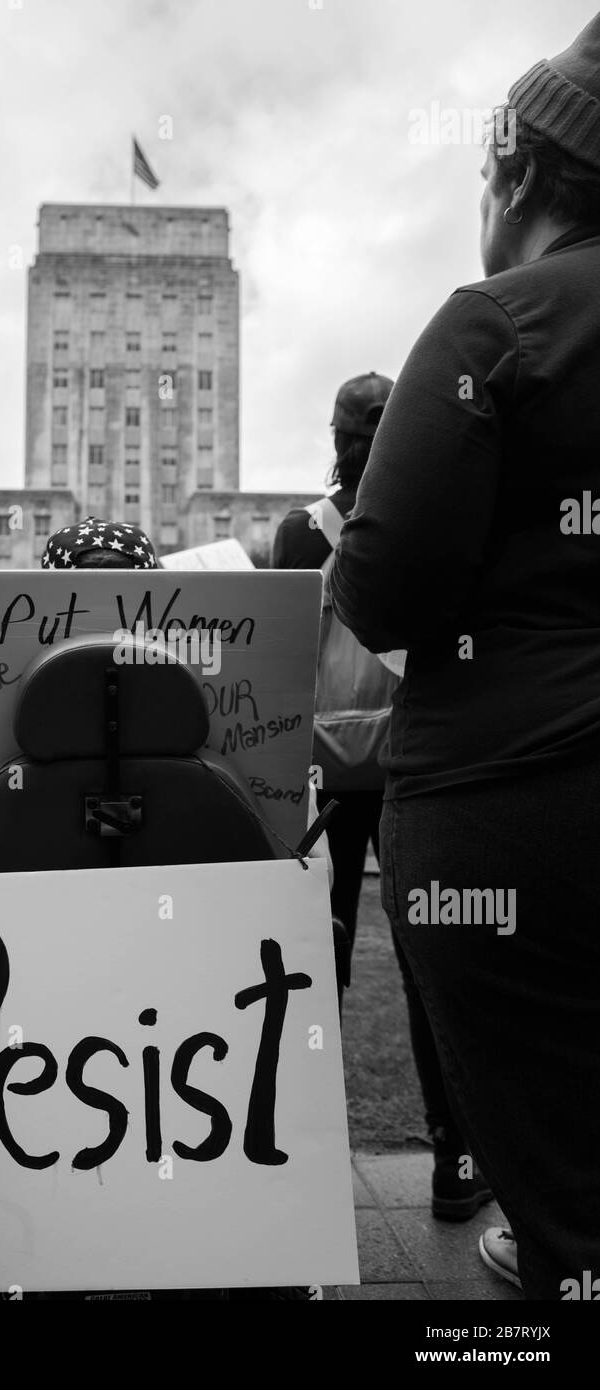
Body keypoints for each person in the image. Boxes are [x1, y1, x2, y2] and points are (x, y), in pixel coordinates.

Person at [331, 15, 600, 1300]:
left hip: (514, 798)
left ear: (516, 177)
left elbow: (382, 590)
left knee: (563, 1165)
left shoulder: (492, 323)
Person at [274, 376, 493, 1224]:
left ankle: (297, 1153)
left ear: (333, 435)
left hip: (320, 768)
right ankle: (453, 1161)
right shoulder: (438, 510)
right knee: (428, 966)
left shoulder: (301, 530)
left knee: (310, 958)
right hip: (415, 757)